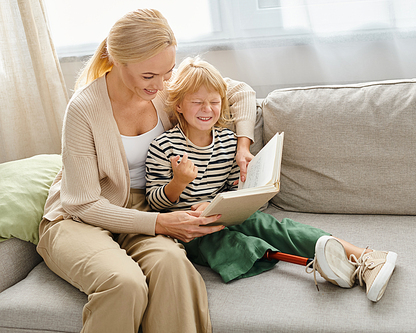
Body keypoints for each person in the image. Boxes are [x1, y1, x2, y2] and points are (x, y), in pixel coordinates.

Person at [36, 9, 257, 333]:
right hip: (78, 216)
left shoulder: (167, 89)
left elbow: (240, 92)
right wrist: (160, 223)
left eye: (167, 72)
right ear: (117, 60)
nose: (161, 85)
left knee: (173, 268)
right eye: (148, 77)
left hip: (145, 205)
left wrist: (242, 144)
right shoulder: (84, 109)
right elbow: (81, 203)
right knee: (124, 284)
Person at [145, 57, 398, 303]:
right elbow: (155, 203)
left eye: (214, 102)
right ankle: (327, 266)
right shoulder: (163, 147)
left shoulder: (228, 142)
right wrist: (178, 182)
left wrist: (243, 189)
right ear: (178, 105)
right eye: (197, 102)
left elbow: (232, 187)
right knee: (230, 243)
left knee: (276, 228)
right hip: (190, 229)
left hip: (223, 214)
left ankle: (367, 256)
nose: (207, 109)